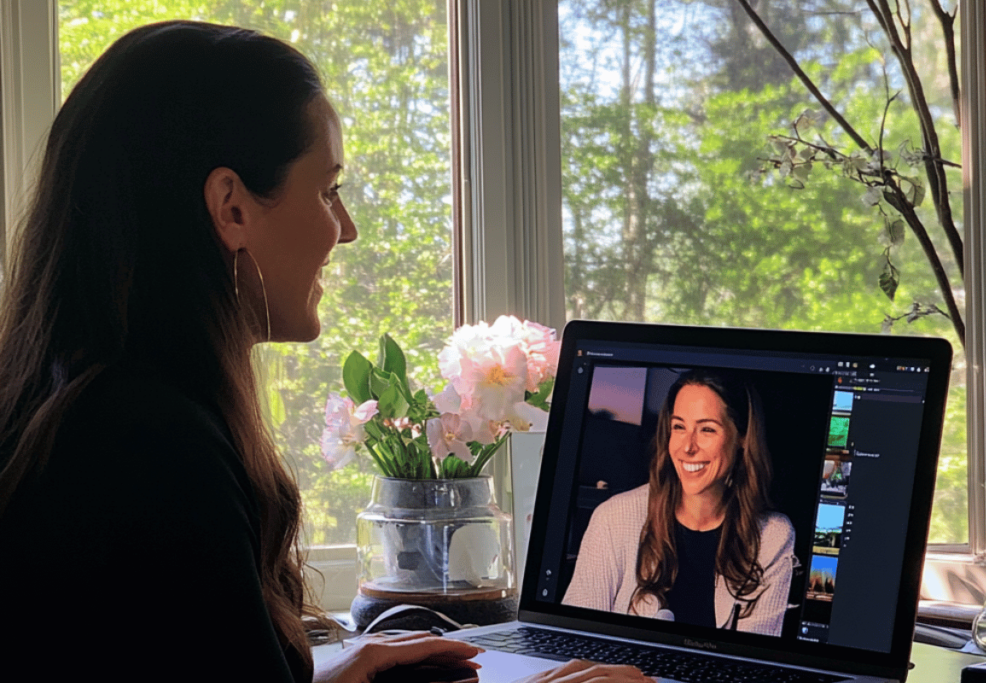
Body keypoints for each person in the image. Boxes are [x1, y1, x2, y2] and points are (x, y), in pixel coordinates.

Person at [0, 20, 652, 683]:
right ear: (231, 207)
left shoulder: (78, 411)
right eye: (328, 189)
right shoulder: (155, 447)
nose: (346, 230)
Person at [563, 369, 796, 636]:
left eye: (707, 429)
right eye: (679, 427)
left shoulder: (773, 536)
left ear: (742, 438)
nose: (687, 447)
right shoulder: (613, 519)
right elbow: (577, 642)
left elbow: (755, 665)